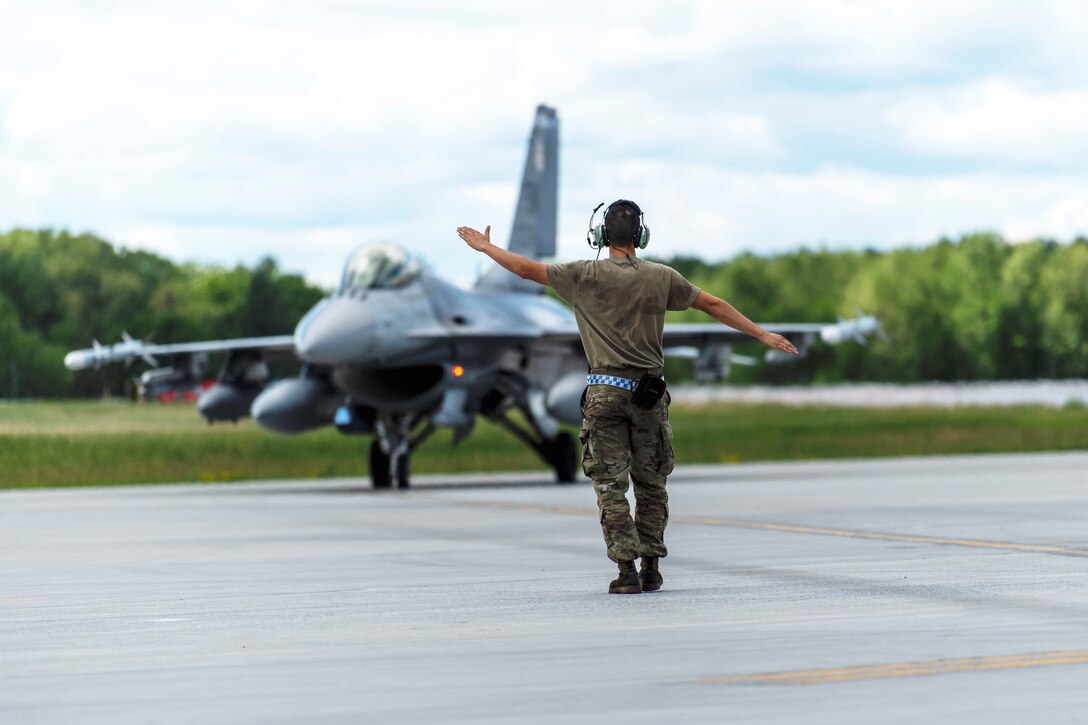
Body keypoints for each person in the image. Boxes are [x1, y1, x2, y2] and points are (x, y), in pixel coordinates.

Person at [457, 200, 797, 594]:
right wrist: (761, 334)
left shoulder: (581, 275)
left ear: (600, 236)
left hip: (604, 395)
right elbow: (712, 304)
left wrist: (486, 248)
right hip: (649, 396)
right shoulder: (662, 277)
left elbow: (523, 269)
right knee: (651, 483)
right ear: (641, 236)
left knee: (609, 485)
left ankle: (626, 571)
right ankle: (651, 566)